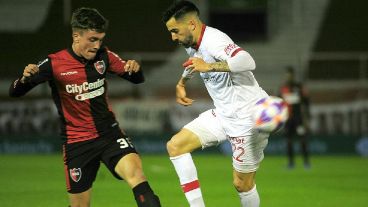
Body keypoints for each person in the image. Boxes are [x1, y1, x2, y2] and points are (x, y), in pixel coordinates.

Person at [9, 7, 161, 207]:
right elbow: (15, 92)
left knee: (137, 177)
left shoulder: (104, 56)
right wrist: (24, 79)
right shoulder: (54, 63)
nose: (97, 45)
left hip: (110, 135)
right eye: (92, 39)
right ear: (76, 36)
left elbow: (136, 79)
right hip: (77, 144)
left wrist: (136, 70)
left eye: (100, 39)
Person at [162, 1, 270, 207]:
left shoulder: (214, 40)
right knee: (176, 146)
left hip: (248, 118)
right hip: (224, 114)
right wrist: (182, 82)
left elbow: (248, 61)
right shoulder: (192, 43)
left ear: (192, 24)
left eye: (175, 31)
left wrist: (209, 67)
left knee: (242, 184)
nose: (173, 37)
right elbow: (195, 62)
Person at [279, 66, 311, 169]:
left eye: (290, 75)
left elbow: (306, 102)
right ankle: (291, 163)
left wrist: (307, 117)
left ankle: (306, 162)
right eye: (287, 75)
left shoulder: (299, 87)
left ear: (293, 75)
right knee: (288, 141)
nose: (288, 77)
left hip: (299, 119)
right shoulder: (283, 88)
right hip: (288, 120)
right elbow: (279, 104)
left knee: (302, 140)